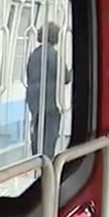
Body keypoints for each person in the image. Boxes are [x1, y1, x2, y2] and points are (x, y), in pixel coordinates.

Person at [25, 22, 71, 158]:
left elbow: (29, 74)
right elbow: (65, 77)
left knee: (37, 133)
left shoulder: (34, 54)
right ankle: (46, 165)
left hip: (34, 99)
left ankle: (36, 161)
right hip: (50, 100)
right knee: (49, 136)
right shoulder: (53, 54)